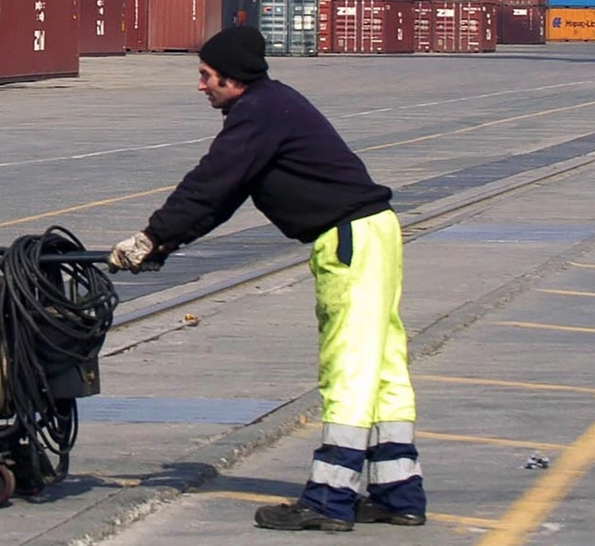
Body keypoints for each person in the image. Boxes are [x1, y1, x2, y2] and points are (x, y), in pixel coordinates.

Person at [108, 26, 426, 532]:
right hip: (374, 232)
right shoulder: (272, 106)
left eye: (206, 76)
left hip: (347, 241)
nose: (201, 85)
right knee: (383, 363)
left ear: (232, 80)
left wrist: (149, 238)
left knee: (347, 365)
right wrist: (166, 243)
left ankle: (328, 499)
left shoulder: (256, 113)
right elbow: (225, 197)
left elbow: (210, 184)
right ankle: (396, 491)